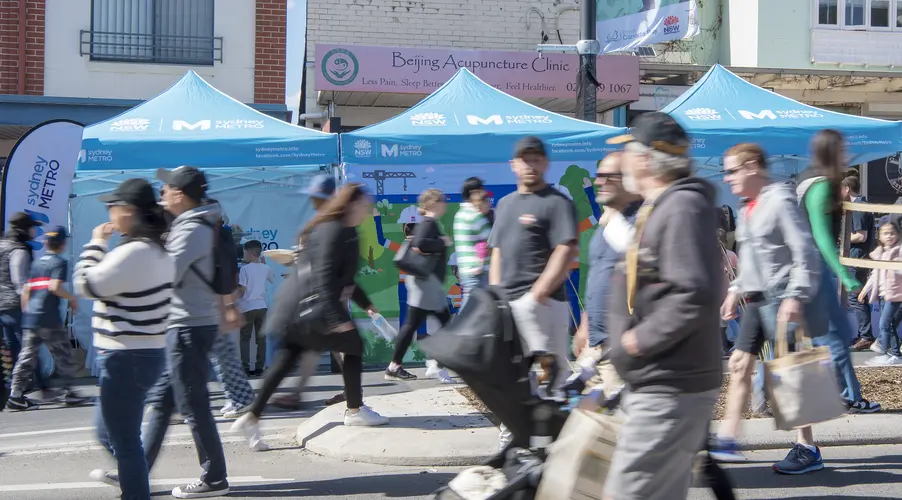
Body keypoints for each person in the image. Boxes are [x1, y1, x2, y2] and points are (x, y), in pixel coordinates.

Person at [603, 112, 722, 500]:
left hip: (670, 385)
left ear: (645, 159)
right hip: (659, 382)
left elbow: (696, 293)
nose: (619, 165)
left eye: (626, 153)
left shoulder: (682, 208)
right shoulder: (662, 206)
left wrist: (638, 341)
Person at [231, 183, 388, 446]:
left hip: (297, 307)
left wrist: (366, 304)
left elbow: (344, 278)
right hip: (309, 308)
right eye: (364, 204)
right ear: (350, 205)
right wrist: (337, 319)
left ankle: (251, 417)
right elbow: (325, 278)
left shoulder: (337, 230)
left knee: (284, 364)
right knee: (354, 346)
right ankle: (355, 410)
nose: (367, 208)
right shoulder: (336, 231)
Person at [712, 143, 820, 464]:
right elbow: (751, 261)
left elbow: (805, 251)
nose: (727, 178)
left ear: (753, 167)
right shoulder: (748, 207)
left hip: (782, 297)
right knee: (739, 364)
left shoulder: (780, 200)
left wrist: (795, 296)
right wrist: (735, 290)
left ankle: (808, 448)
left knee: (788, 374)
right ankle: (728, 440)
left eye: (731, 170)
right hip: (757, 300)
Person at [75, 178, 174, 500]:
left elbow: (86, 285)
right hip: (142, 353)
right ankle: (133, 479)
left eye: (112, 206)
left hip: (125, 356)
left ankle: (134, 486)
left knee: (125, 440)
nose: (109, 213)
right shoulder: (157, 250)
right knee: (110, 433)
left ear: (129, 211)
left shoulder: (134, 252)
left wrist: (94, 243)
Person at [141, 166, 236, 498]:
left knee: (194, 406)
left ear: (179, 193)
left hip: (188, 328)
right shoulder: (190, 225)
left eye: (165, 188)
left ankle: (214, 477)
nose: (161, 193)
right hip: (187, 325)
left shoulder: (190, 229)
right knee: (164, 402)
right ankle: (135, 469)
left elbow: (164, 273)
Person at [488, 136, 578, 399]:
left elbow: (566, 249)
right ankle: (513, 435)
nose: (531, 165)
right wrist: (495, 294)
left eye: (536, 160)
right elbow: (497, 250)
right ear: (513, 164)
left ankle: (552, 437)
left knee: (551, 383)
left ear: (546, 163)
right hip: (510, 304)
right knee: (511, 379)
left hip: (547, 304)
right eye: (525, 160)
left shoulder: (557, 202)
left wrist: (538, 293)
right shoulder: (505, 204)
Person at [270, 174, 346, 410]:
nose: (313, 200)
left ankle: (353, 391)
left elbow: (328, 264)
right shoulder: (324, 223)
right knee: (315, 348)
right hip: (323, 296)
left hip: (326, 296)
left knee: (335, 345)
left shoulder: (329, 225)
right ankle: (299, 393)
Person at [572, 152, 642, 397]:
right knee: (587, 426)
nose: (599, 181)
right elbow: (598, 276)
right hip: (596, 349)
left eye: (607, 176)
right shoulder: (607, 224)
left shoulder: (643, 222)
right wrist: (585, 324)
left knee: (615, 430)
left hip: (623, 350)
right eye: (598, 176)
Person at [5, 226, 89, 410]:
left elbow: (27, 290)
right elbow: (54, 287)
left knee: (26, 356)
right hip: (49, 319)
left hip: (32, 318)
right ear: (62, 244)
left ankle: (15, 394)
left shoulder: (37, 264)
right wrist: (72, 299)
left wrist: (28, 312)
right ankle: (70, 393)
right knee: (64, 355)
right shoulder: (59, 263)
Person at [386, 189, 453, 383]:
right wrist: (442, 241)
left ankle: (396, 366)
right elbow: (420, 243)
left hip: (426, 284)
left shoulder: (429, 223)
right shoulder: (429, 223)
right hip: (426, 284)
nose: (445, 203)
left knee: (413, 325)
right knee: (445, 325)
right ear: (432, 203)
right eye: (442, 200)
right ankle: (435, 363)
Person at [0, 212, 46, 394]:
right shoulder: (18, 250)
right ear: (24, 229)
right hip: (14, 305)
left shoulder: (2, 244)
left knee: (12, 347)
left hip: (2, 305)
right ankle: (42, 384)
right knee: (28, 346)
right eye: (32, 227)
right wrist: (28, 307)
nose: (35, 231)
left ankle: (16, 385)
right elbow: (19, 282)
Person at [861, 217, 902, 366]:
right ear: (880, 236)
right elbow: (875, 274)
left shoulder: (899, 251)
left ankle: (887, 352)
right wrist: (865, 290)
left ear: (897, 234)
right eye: (886, 233)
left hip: (896, 295)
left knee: (885, 324)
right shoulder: (881, 253)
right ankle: (892, 352)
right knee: (888, 324)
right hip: (885, 294)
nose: (889, 236)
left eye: (892, 233)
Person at [843, 176, 877, 350]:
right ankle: (865, 334)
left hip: (858, 258)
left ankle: (866, 336)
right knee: (856, 297)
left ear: (847, 189)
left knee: (856, 297)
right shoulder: (860, 206)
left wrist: (843, 239)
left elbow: (860, 236)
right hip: (857, 258)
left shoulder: (858, 207)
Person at [453, 177, 493, 307]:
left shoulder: (460, 214)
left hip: (467, 269)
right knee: (470, 309)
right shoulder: (475, 216)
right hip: (478, 271)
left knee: (473, 308)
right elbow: (492, 240)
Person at [238, 239, 275, 375]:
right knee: (261, 339)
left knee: (245, 339)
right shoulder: (266, 268)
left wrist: (233, 299)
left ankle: (246, 367)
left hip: (248, 306)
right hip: (262, 306)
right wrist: (264, 264)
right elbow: (272, 280)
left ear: (251, 253)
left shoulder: (244, 269)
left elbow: (242, 289)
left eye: (245, 252)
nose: (243, 255)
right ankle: (260, 367)